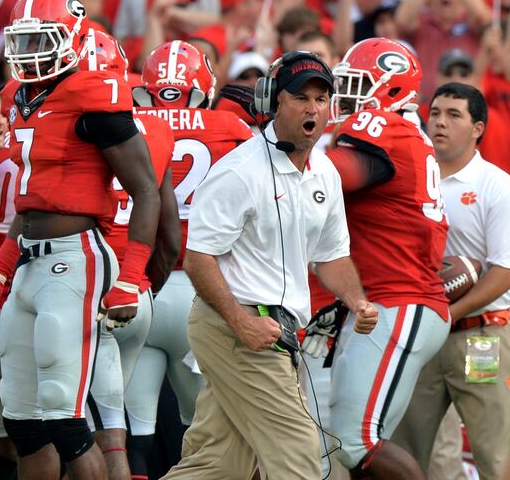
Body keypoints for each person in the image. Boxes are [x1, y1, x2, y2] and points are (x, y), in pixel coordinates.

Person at [162, 51, 378, 480]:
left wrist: (355, 300)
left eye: (321, 98)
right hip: (238, 328)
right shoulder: (241, 171)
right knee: (299, 453)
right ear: (272, 103)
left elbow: (331, 255)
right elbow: (198, 258)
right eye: (300, 97)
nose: (312, 107)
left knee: (219, 465)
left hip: (270, 330)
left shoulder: (326, 173)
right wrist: (241, 322)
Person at [0, 0, 161, 478]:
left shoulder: (92, 92)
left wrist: (130, 278)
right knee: (21, 421)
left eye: (41, 40)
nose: (28, 53)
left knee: (64, 417)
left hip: (76, 261)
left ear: (75, 39)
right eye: (21, 41)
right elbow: (32, 202)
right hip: (28, 260)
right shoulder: (22, 97)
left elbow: (146, 191)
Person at [319, 37, 450, 479]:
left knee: (355, 443)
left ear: (391, 90)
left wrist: (286, 151)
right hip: (385, 302)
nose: (345, 96)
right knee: (357, 452)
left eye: (358, 85)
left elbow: (339, 175)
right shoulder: (403, 132)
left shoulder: (384, 126)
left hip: (399, 300)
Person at [126, 39, 254, 479]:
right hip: (201, 290)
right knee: (203, 432)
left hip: (138, 287)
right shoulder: (230, 127)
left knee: (133, 431)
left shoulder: (128, 123)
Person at [392, 82, 510, 480]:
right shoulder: (411, 180)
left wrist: (447, 310)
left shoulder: (496, 185)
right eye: (436, 112)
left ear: (478, 128)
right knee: (404, 452)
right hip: (423, 334)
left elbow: (504, 272)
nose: (439, 121)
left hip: (480, 337)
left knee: (495, 455)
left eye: (453, 114)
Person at [78, 29, 181, 480]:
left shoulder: (64, 120)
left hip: (86, 282)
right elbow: (171, 236)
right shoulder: (156, 128)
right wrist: (143, 285)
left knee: (80, 427)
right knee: (128, 424)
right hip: (141, 292)